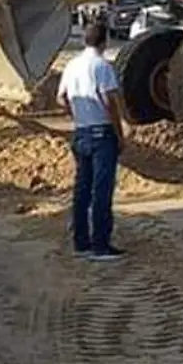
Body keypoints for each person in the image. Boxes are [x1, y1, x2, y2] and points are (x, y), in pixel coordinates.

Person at [57, 21, 127, 262]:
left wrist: (77, 115)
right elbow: (110, 102)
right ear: (104, 41)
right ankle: (101, 245)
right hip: (101, 133)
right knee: (101, 191)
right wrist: (119, 134)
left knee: (82, 190)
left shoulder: (71, 65)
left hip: (81, 132)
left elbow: (62, 97)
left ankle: (81, 242)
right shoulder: (102, 66)